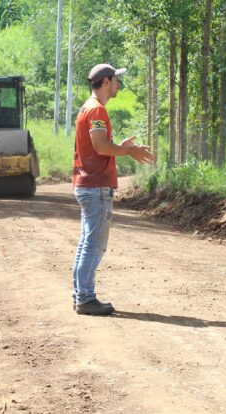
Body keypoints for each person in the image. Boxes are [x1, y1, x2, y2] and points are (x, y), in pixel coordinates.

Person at [71, 63, 154, 316]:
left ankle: (81, 294)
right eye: (116, 79)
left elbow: (102, 145)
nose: (119, 84)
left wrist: (119, 145)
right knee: (94, 245)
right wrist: (128, 150)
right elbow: (100, 147)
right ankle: (85, 298)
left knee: (88, 242)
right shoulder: (97, 110)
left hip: (89, 185)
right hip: (96, 186)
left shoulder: (90, 107)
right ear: (106, 82)